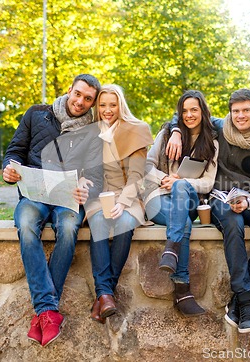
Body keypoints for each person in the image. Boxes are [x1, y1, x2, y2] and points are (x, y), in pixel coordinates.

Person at [166, 88, 250, 333]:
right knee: (232, 223)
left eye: (245, 111)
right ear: (230, 113)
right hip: (221, 198)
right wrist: (176, 132)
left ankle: (241, 299)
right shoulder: (220, 127)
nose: (240, 116)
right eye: (236, 111)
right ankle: (247, 301)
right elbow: (187, 115)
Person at [2, 74, 103, 347]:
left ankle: (44, 312)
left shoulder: (94, 131)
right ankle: (48, 310)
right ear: (69, 90)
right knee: (25, 223)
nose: (80, 102)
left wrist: (87, 185)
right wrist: (9, 168)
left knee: (70, 228)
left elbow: (95, 174)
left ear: (92, 103)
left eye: (88, 99)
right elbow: (15, 150)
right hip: (34, 194)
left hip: (67, 199)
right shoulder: (37, 114)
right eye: (78, 94)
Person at [143, 90, 218, 317]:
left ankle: (172, 251)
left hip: (189, 199)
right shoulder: (167, 134)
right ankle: (182, 290)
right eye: (184, 110)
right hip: (157, 199)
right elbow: (145, 166)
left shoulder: (212, 142)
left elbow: (208, 183)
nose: (189, 115)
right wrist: (163, 179)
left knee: (180, 187)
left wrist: (180, 181)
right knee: (183, 224)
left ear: (202, 112)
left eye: (194, 109)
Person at [85, 84, 153, 324]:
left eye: (112, 105)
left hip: (129, 195)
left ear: (120, 105)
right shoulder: (92, 132)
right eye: (102, 105)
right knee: (98, 224)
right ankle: (106, 295)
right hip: (99, 196)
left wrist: (123, 202)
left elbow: (136, 176)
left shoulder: (136, 131)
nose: (107, 110)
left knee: (124, 223)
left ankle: (103, 294)